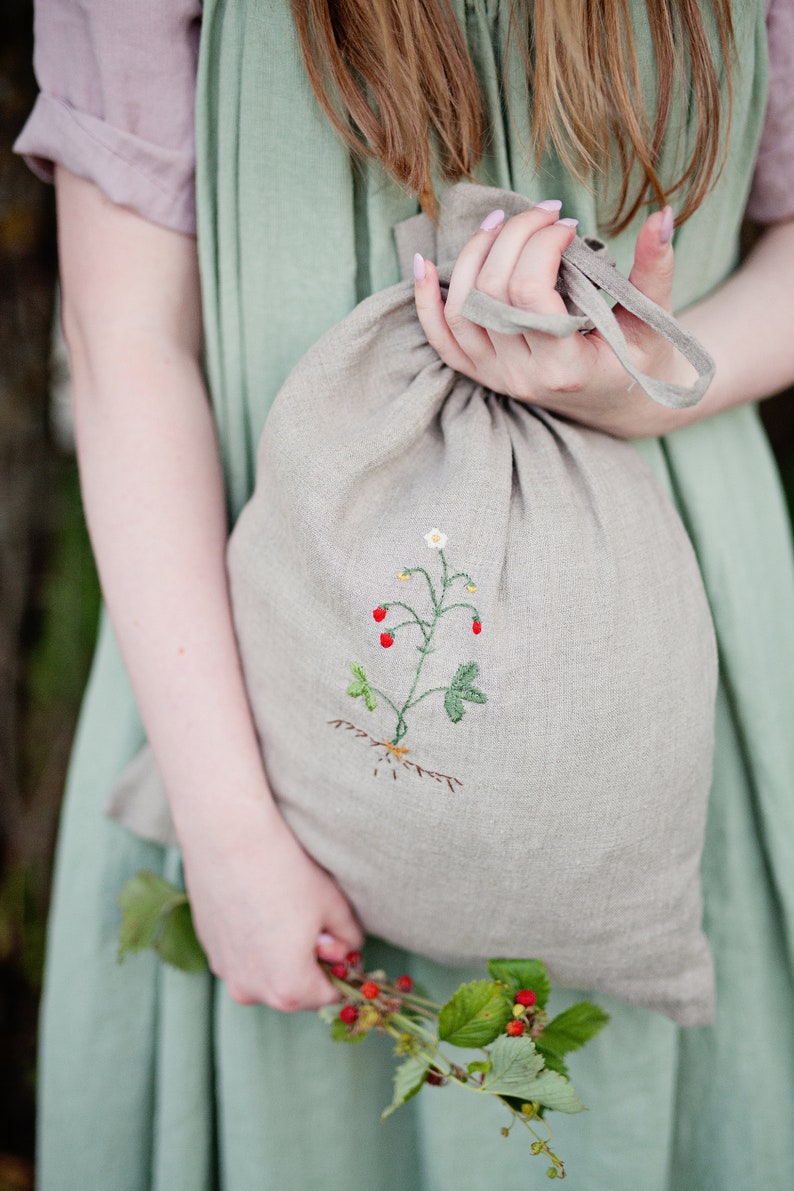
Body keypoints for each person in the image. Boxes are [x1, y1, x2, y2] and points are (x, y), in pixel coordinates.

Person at [14, 1, 794, 1188]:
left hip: (663, 673)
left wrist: (638, 389)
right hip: (247, 678)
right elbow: (126, 342)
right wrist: (226, 840)